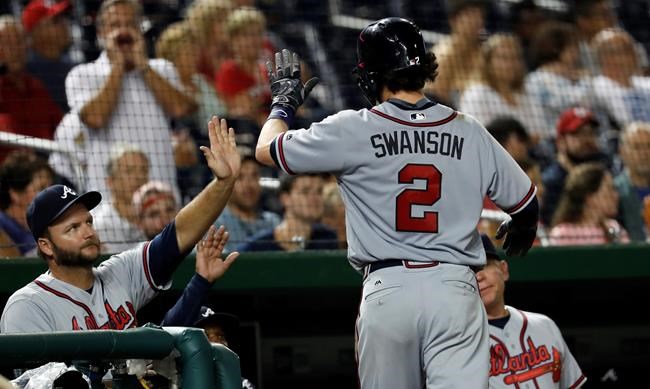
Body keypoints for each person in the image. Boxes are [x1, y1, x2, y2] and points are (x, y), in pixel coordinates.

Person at [255, 18, 539, 388]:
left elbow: (266, 150)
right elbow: (526, 202)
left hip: (388, 289)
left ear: (372, 74)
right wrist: (523, 226)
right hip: (455, 288)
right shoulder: (467, 128)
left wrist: (283, 104)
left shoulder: (352, 127)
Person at [0, 115, 241, 333]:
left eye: (88, 222)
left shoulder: (119, 273)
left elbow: (178, 234)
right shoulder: (28, 306)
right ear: (46, 246)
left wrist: (223, 183)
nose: (87, 232)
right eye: (73, 228)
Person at [64, 0, 196, 194]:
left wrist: (142, 65)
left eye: (131, 24)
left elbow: (182, 108)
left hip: (162, 193)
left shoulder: (162, 68)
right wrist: (118, 67)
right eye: (115, 25)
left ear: (141, 29)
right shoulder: (82, 74)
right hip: (108, 200)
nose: (123, 31)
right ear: (101, 32)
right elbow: (95, 118)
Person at [477, 234, 587, 388]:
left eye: (484, 265)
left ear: (504, 269)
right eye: (469, 272)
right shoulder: (460, 344)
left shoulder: (544, 325)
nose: (479, 276)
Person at [459, 34, 548, 139]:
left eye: (515, 58)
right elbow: (477, 136)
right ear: (488, 63)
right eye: (504, 58)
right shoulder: (476, 94)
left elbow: (541, 134)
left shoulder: (528, 94)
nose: (511, 63)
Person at [0, 16, 63, 152]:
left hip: (47, 163)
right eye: (6, 43)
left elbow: (61, 127)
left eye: (19, 42)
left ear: (27, 46)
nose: (15, 50)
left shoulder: (37, 86)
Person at [540, 107, 609, 226]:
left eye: (590, 133)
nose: (587, 139)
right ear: (560, 141)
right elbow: (552, 223)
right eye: (578, 134)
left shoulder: (605, 167)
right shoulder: (551, 181)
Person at [237, 174, 337, 252]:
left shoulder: (328, 239)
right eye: (305, 191)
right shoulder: (257, 247)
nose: (315, 198)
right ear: (285, 199)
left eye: (319, 191)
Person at [424, 0, 488, 106]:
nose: (477, 21)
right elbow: (434, 99)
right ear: (453, 20)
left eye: (480, 15)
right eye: (470, 15)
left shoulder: (485, 52)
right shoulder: (443, 55)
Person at [549, 162, 629, 245]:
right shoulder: (564, 234)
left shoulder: (614, 228)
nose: (616, 196)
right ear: (590, 197)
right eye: (610, 190)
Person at [214, 155, 280, 252]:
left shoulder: (273, 222)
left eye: (254, 176)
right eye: (240, 177)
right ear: (226, 183)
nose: (248, 185)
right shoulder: (215, 223)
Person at [92, 144, 149, 253]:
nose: (139, 177)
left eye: (144, 171)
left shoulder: (158, 221)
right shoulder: (98, 227)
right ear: (110, 181)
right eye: (129, 171)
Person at [22, 0, 76, 111]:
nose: (65, 24)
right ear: (36, 32)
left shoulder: (71, 65)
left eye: (64, 18)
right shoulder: (24, 72)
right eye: (56, 21)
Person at [590, 28, 650, 128]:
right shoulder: (597, 88)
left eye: (631, 49)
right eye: (625, 49)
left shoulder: (646, 83)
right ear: (604, 57)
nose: (634, 54)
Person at [0, 151, 54, 257]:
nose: (51, 194)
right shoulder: (2, 224)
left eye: (50, 187)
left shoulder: (45, 224)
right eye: (42, 188)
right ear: (15, 193)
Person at [614, 122, 650, 241]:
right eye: (637, 147)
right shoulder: (612, 192)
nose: (645, 153)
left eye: (649, 146)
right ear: (622, 152)